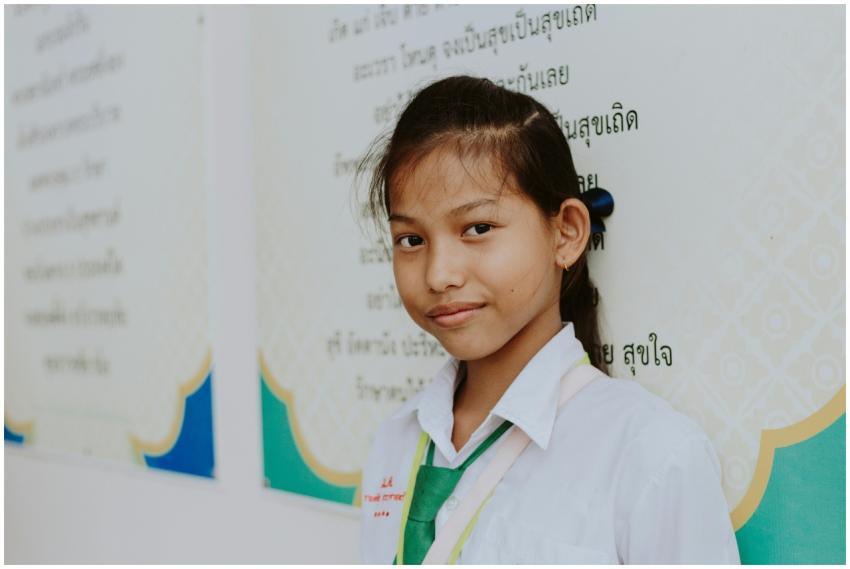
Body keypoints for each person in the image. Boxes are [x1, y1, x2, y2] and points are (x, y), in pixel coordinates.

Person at [356, 75, 740, 564]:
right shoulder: (396, 438)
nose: (439, 274)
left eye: (477, 228)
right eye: (411, 240)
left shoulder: (652, 455)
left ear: (566, 233)